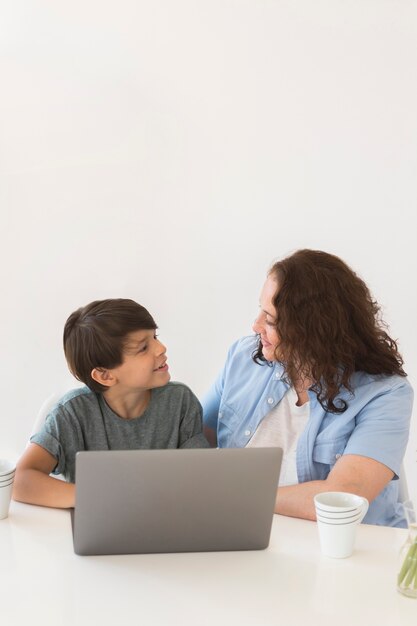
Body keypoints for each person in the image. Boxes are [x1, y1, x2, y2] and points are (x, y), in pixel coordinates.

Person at [202, 249, 413, 527]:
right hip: (252, 537)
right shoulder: (243, 359)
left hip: (350, 552)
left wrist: (238, 497)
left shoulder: (385, 394)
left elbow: (341, 498)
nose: (255, 327)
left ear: (311, 330)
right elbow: (190, 444)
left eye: (270, 320)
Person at [14, 298, 208, 509]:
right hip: (102, 529)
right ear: (105, 375)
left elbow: (201, 477)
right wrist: (102, 498)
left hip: (167, 522)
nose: (161, 348)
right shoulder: (72, 413)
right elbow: (22, 481)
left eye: (155, 336)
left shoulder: (180, 401)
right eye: (143, 347)